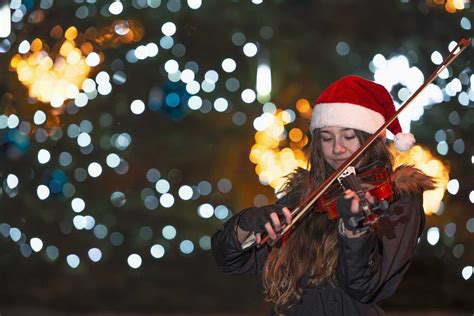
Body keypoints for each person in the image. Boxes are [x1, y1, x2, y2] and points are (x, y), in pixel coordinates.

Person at [211, 75, 436, 315]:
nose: (337, 148)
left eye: (348, 136)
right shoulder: (306, 192)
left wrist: (354, 229)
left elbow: (365, 287)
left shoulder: (398, 196)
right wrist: (247, 223)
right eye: (327, 138)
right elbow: (231, 261)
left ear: (372, 140)